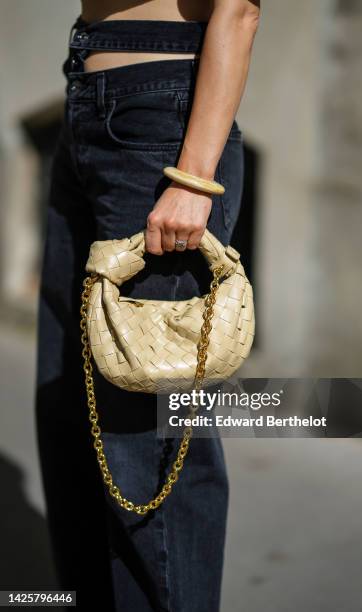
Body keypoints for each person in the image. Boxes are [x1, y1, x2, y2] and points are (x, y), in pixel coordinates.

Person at [34, 1, 260, 610]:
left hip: (160, 120)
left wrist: (192, 178)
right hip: (87, 97)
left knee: (149, 428)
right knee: (69, 395)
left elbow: (237, 9)